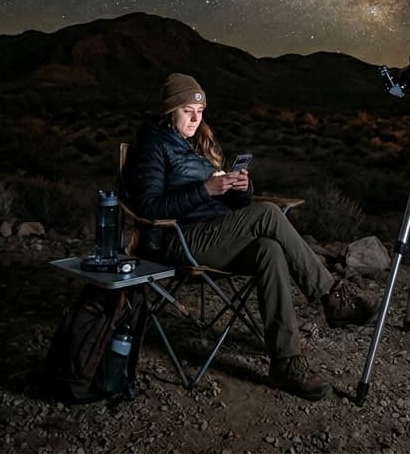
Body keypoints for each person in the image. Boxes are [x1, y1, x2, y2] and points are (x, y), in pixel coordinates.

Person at [121, 72, 375, 401]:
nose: (196, 118)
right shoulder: (154, 146)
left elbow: (228, 201)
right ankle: (331, 296)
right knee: (268, 213)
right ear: (170, 111)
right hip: (177, 241)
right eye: (188, 111)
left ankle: (286, 362)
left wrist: (240, 189)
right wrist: (204, 189)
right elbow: (148, 206)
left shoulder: (196, 145)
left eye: (200, 111)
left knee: (268, 249)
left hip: (214, 236)